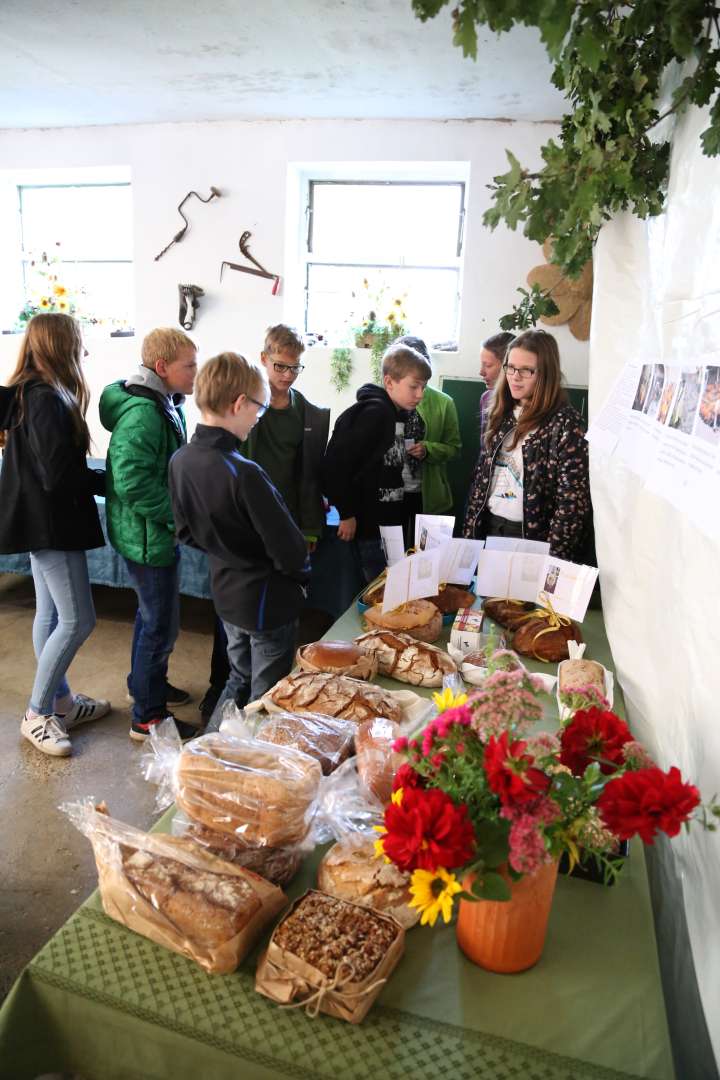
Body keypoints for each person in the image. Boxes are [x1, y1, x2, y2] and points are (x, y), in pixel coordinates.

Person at [198, 323, 329, 722]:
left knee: (264, 640)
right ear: (263, 359)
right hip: (244, 533)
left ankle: (232, 726)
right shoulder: (245, 411)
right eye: (280, 366)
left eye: (294, 368)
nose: (287, 375)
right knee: (236, 637)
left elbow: (308, 478)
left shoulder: (306, 414)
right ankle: (221, 704)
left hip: (282, 527)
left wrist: (307, 530)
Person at [169, 352, 310, 718]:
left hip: (226, 593)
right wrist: (298, 578)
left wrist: (228, 551)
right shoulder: (243, 472)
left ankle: (209, 752)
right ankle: (243, 764)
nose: (257, 420)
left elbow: (185, 532)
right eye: (258, 410)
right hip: (266, 598)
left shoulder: (181, 460)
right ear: (238, 404)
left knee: (237, 677)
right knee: (267, 697)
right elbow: (290, 549)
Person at [0, 313, 110, 757]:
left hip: (39, 521)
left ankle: (62, 701)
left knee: (49, 616)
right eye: (78, 343)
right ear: (61, 346)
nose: (83, 352)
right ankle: (37, 713)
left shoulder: (28, 392)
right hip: (51, 524)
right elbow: (58, 475)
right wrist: (105, 480)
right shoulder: (45, 397)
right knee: (77, 620)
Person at [100, 327, 198, 742]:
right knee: (160, 623)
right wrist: (176, 517)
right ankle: (147, 717)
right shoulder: (143, 413)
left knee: (153, 616)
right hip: (147, 537)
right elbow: (132, 481)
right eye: (189, 366)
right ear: (162, 368)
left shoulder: (163, 402)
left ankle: (145, 685)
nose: (196, 372)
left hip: (149, 533)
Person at [462, 329, 591, 560]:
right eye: (510, 367)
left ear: (546, 373)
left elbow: (571, 505)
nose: (515, 376)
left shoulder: (567, 423)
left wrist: (553, 561)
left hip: (530, 539)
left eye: (526, 370)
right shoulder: (500, 411)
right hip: (490, 527)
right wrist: (470, 535)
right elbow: (481, 482)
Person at [322, 343, 431, 582]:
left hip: (386, 524)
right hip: (367, 526)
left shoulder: (396, 413)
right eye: (414, 386)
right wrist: (346, 514)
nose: (420, 394)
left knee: (388, 585)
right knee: (375, 591)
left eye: (424, 387)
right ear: (389, 382)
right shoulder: (374, 413)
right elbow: (335, 465)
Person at [395, 335, 462, 515]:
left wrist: (428, 450)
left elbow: (454, 449)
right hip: (386, 494)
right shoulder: (381, 400)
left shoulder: (443, 402)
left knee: (421, 544)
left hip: (426, 494)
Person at [478, 331, 515, 449]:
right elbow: (485, 448)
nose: (481, 372)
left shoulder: (525, 403)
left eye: (488, 365)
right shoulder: (486, 398)